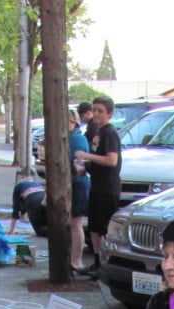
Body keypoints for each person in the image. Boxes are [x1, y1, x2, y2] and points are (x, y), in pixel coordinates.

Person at [73, 95, 121, 279]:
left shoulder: (110, 133)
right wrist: (85, 166)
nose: (96, 114)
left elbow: (111, 160)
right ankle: (97, 262)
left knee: (105, 228)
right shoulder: (98, 133)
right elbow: (98, 161)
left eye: (101, 111)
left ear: (109, 113)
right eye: (94, 110)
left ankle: (107, 265)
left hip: (108, 188)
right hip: (96, 185)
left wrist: (87, 156)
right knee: (93, 227)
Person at [68, 108, 90, 273]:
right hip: (71, 184)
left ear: (74, 122)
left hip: (78, 184)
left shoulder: (77, 138)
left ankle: (76, 261)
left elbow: (80, 166)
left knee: (76, 223)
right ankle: (72, 259)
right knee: (72, 223)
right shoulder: (70, 137)